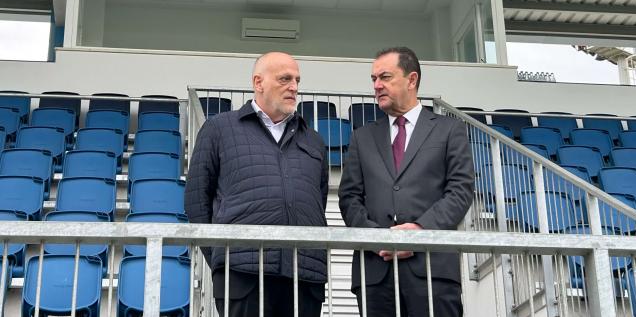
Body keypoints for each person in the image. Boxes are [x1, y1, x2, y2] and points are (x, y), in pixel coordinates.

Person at [184, 51, 329, 317]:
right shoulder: (219, 129)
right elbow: (196, 201)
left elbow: (318, 200)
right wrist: (222, 255)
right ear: (258, 82)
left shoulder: (314, 140)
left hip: (305, 276)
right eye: (285, 79)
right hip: (242, 275)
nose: (294, 87)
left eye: (297, 80)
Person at [338, 46, 474, 317]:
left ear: (412, 80)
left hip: (432, 269)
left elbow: (460, 190)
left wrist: (420, 230)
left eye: (385, 77)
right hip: (375, 274)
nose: (377, 85)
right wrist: (377, 238)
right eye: (374, 79)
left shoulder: (450, 130)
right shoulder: (362, 137)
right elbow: (349, 198)